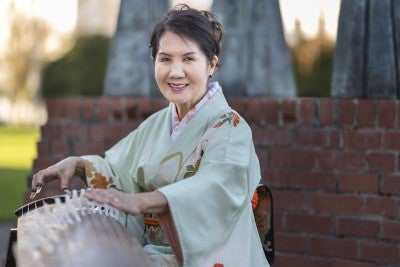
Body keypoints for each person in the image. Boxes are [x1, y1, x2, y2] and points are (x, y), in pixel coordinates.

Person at [31, 4, 269, 267]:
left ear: (211, 65)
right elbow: (118, 169)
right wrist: (76, 164)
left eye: (188, 59)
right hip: (155, 255)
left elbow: (216, 188)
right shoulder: (157, 124)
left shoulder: (231, 127)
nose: (175, 72)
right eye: (165, 59)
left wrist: (143, 201)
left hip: (208, 258)